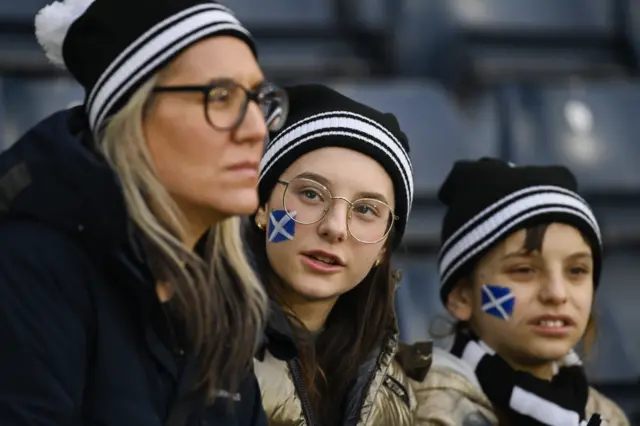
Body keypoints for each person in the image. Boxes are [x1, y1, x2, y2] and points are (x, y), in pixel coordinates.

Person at [0, 0, 288, 424]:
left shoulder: (223, 295)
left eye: (259, 100)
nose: (256, 130)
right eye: (221, 97)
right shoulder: (30, 267)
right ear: (133, 116)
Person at [244, 84, 432, 426]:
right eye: (312, 194)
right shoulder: (198, 348)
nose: (335, 228)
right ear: (261, 208)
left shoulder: (418, 393)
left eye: (365, 210)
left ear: (384, 248)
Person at [410, 158, 629, 425]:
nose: (557, 294)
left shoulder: (607, 416)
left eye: (577, 271)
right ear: (462, 296)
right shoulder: (426, 409)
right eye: (524, 270)